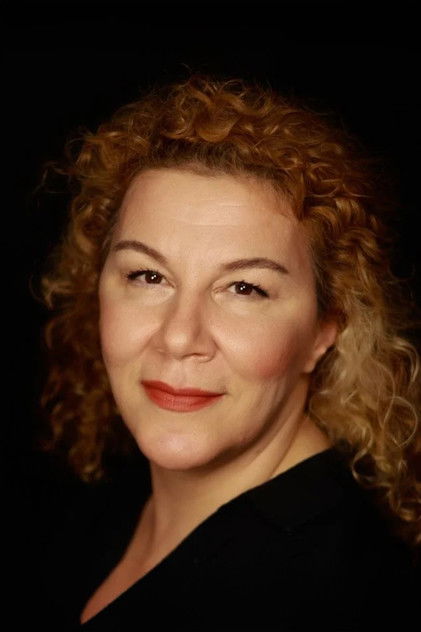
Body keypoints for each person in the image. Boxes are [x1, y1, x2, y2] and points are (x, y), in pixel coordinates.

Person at [33, 74, 420, 630]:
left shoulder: (335, 596)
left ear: (323, 331)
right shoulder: (95, 501)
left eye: (244, 288)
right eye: (148, 275)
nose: (179, 337)